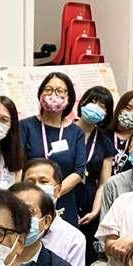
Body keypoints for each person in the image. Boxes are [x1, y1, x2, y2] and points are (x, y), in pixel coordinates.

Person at [20, 72, 87, 225]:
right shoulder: (25, 126)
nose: (53, 95)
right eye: (48, 90)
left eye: (60, 91)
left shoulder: (76, 132)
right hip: (29, 200)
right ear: (40, 94)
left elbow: (79, 171)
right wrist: (35, 195)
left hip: (64, 201)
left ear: (69, 97)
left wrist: (53, 193)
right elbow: (18, 167)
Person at [21, 158, 87, 266]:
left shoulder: (73, 239)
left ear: (58, 190)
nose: (36, 188)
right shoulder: (8, 229)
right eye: (30, 183)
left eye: (43, 182)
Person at [71, 84, 116, 241]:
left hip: (89, 200)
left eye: (102, 105)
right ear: (82, 103)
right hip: (65, 193)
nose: (96, 107)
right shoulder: (65, 131)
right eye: (92, 101)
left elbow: (103, 183)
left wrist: (95, 211)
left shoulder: (105, 142)